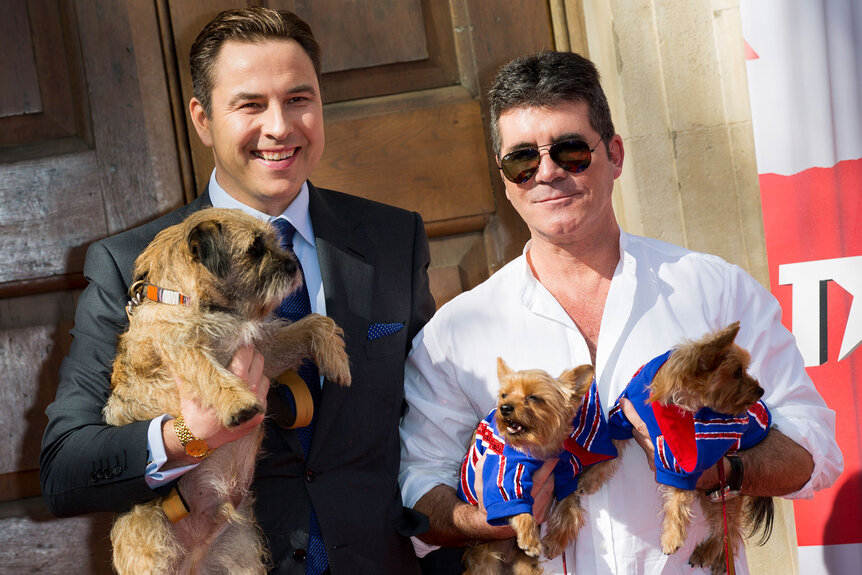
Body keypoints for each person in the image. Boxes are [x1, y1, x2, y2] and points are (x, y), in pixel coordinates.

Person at [398, 50, 843, 574]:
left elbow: (812, 450)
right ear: (504, 179)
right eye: (522, 160)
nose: (546, 174)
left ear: (614, 154)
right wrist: (485, 521)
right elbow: (419, 487)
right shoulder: (455, 332)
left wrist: (714, 468)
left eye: (570, 152)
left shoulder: (713, 290)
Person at [39, 7, 434, 575]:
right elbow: (65, 470)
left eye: (299, 99)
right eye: (251, 104)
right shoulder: (131, 265)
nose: (280, 126)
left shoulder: (395, 237)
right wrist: (184, 437)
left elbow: (433, 418)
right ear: (202, 120)